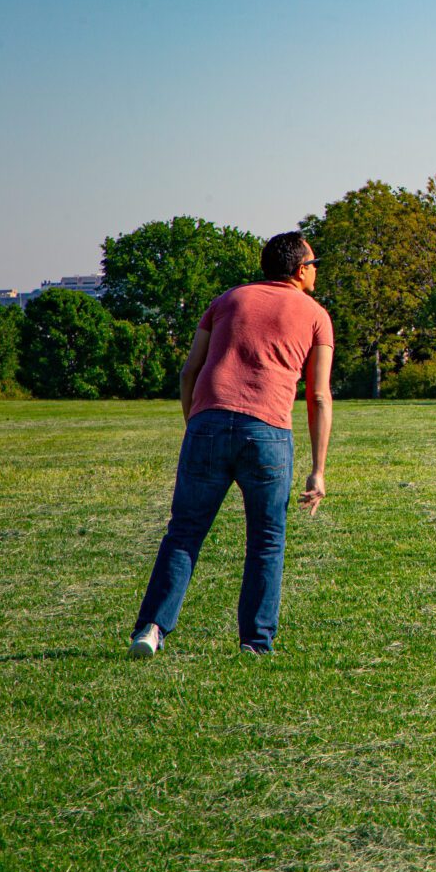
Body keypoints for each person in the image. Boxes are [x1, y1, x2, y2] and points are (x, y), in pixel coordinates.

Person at [128, 232, 334, 657]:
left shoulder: (227, 300)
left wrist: (196, 426)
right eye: (314, 264)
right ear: (300, 271)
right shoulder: (316, 315)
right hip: (268, 432)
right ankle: (255, 642)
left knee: (184, 532)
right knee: (266, 540)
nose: (316, 271)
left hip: (208, 422)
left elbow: (189, 372)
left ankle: (151, 628)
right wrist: (318, 470)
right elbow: (318, 396)